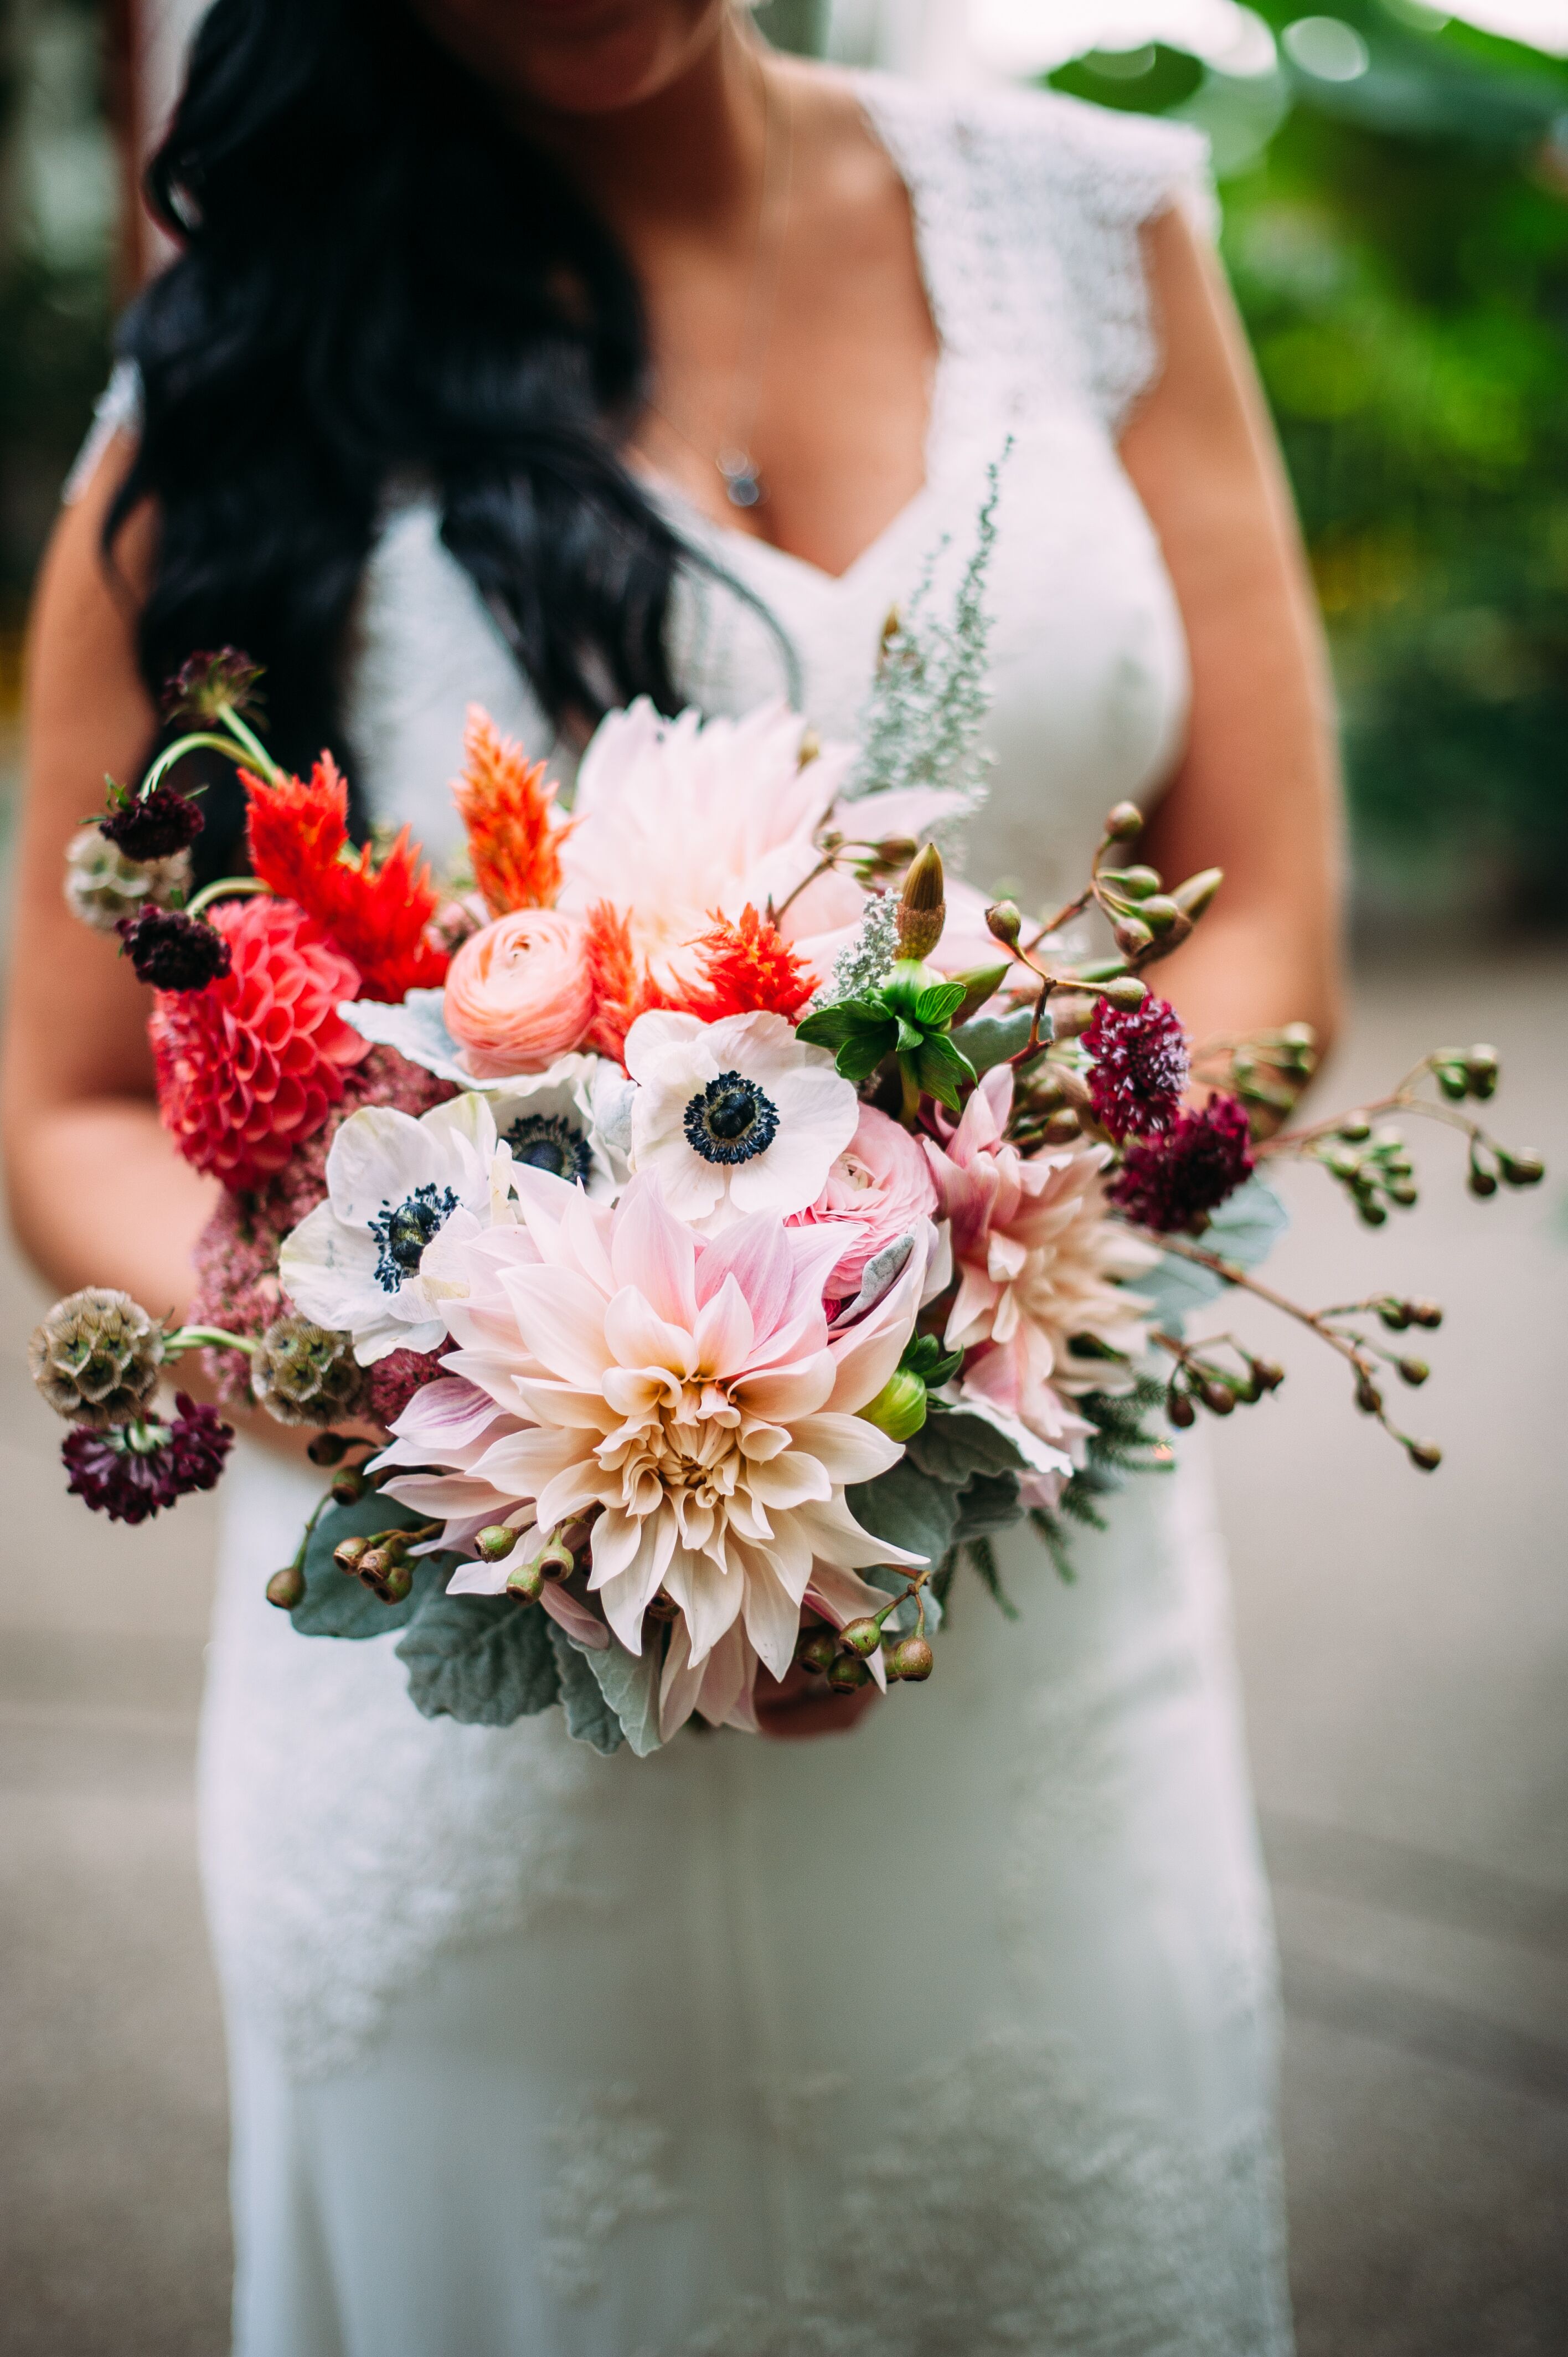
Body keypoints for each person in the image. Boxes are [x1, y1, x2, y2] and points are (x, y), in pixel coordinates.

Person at [4, 1, 1340, 2349]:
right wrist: (482, 1429)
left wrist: (978, 1298)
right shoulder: (240, 378)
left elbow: (1270, 925)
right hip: (485, 1734)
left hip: (1038, 1658)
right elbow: (70, 1100)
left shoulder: (1097, 238)